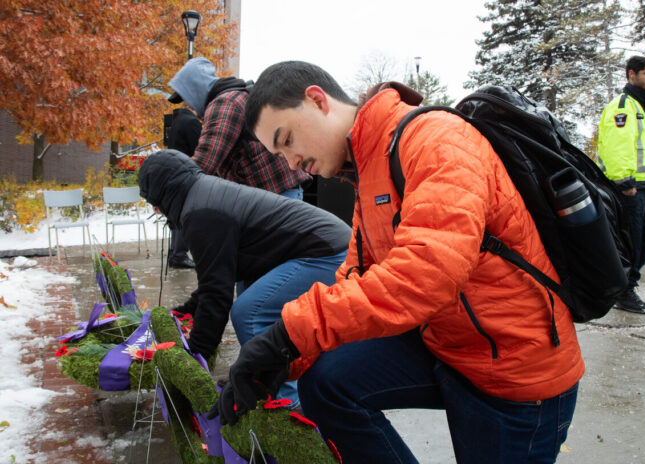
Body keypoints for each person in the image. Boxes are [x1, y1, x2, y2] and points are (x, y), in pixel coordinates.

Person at [205, 61, 585, 464]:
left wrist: (288, 334)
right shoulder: (370, 170)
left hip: (512, 369)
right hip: (450, 344)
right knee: (327, 382)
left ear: (318, 101)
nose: (292, 163)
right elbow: (355, 281)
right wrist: (280, 364)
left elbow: (426, 275)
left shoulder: (434, 138)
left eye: (287, 140)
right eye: (278, 154)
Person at [138, 149, 350, 408]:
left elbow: (217, 294)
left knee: (250, 312)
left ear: (163, 192)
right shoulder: (201, 196)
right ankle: (264, 385)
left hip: (329, 254)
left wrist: (194, 359)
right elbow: (215, 279)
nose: (156, 209)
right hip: (328, 247)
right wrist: (186, 312)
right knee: (256, 305)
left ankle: (286, 408)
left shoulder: (200, 212)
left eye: (153, 202)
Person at [167, 57, 311, 200]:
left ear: (195, 88)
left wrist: (168, 191)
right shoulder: (236, 96)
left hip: (272, 197)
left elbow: (205, 160)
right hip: (277, 194)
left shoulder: (225, 103)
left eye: (186, 97)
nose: (187, 104)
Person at [597, 56, 645, 314]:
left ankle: (627, 282)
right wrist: (625, 181)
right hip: (630, 186)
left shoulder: (642, 107)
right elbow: (617, 146)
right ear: (631, 74)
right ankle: (623, 291)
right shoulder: (624, 106)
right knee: (630, 241)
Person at [165, 103, 201, 269]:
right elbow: (199, 149)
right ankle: (179, 254)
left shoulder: (177, 121)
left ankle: (175, 253)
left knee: (177, 214)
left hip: (175, 173)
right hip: (187, 174)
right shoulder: (191, 122)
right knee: (183, 215)